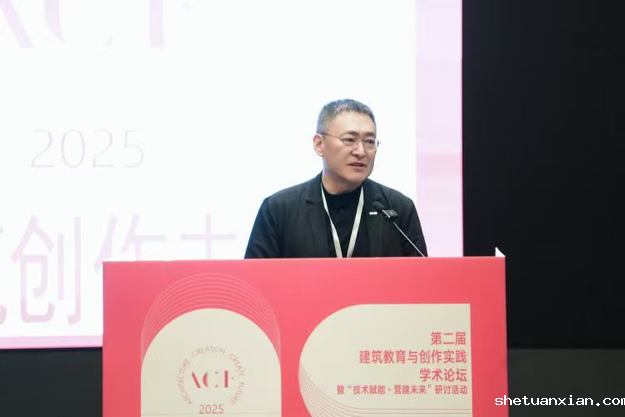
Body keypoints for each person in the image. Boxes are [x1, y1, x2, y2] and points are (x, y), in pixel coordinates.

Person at [245, 99, 427, 258]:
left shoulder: (397, 208)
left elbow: (421, 279)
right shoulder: (279, 209)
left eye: (369, 142)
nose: (361, 151)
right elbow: (254, 282)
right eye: (349, 140)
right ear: (319, 144)